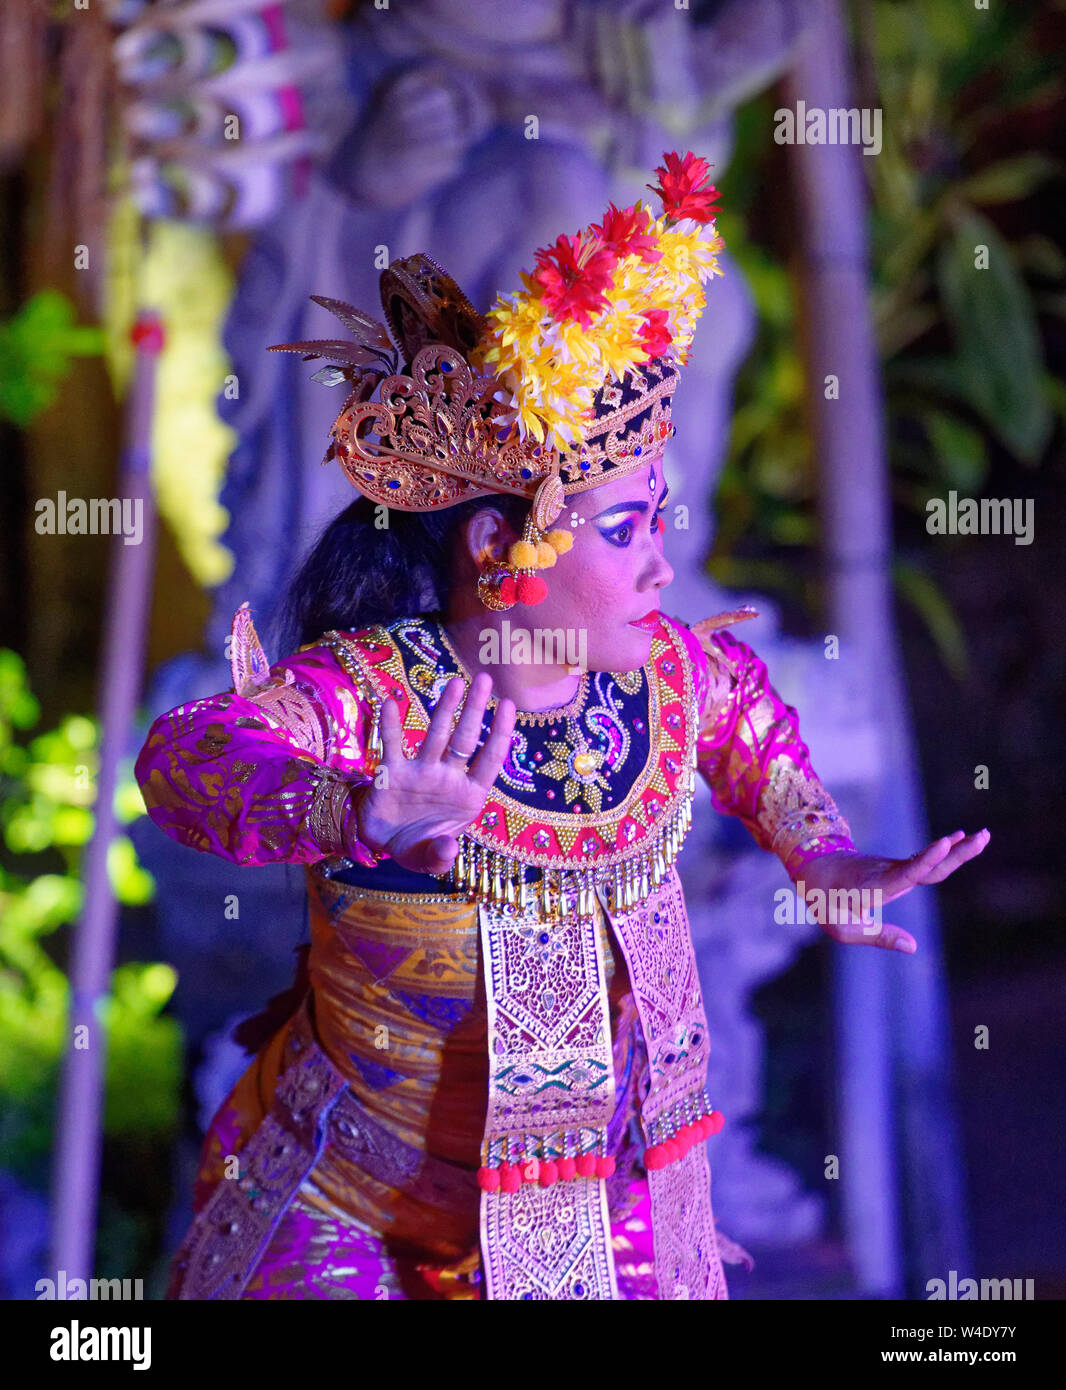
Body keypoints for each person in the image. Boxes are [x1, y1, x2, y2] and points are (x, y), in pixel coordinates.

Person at [134, 152, 988, 1300]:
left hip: (589, 1199)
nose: (662, 563)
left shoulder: (675, 679)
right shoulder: (376, 697)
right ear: (498, 553)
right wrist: (355, 811)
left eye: (659, 521)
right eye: (628, 527)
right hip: (347, 1197)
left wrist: (821, 856)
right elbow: (187, 757)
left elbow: (754, 731)